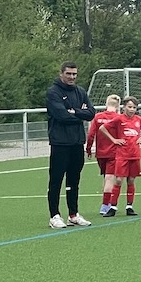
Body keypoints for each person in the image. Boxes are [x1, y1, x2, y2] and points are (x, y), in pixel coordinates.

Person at [46, 62, 97, 228]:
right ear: (61, 73)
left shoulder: (80, 91)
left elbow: (91, 113)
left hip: (77, 142)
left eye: (74, 74)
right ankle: (54, 215)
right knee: (56, 180)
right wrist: (79, 114)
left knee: (74, 180)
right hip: (60, 143)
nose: (72, 77)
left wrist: (74, 111)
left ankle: (73, 214)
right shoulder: (53, 92)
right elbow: (61, 115)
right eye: (68, 73)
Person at [102, 96, 141, 217]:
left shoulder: (138, 120)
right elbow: (103, 128)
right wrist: (114, 140)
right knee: (119, 180)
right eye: (129, 107)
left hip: (135, 155)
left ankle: (129, 206)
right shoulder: (119, 119)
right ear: (124, 107)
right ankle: (113, 207)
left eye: (134, 107)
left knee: (131, 180)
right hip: (122, 155)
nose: (132, 109)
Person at [86, 93, 122, 216]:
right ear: (118, 106)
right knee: (109, 179)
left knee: (106, 178)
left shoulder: (98, 117)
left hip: (101, 153)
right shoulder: (119, 118)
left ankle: (107, 202)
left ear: (106, 104)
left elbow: (91, 134)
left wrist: (88, 149)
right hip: (114, 152)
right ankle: (105, 205)